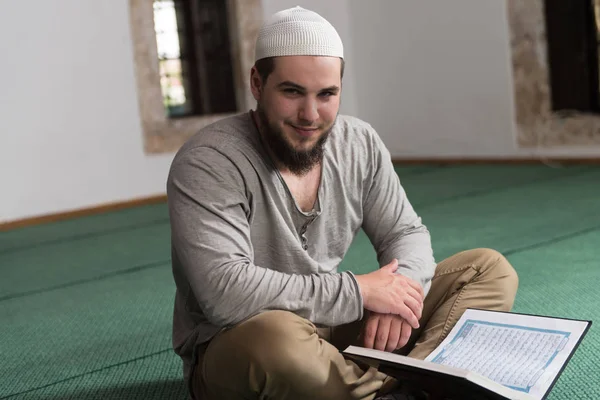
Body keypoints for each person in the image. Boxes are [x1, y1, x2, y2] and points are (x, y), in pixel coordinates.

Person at [166, 6, 518, 400]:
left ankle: (402, 386)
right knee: (277, 342)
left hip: (332, 325)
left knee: (487, 270)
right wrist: (362, 293)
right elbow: (225, 292)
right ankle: (423, 385)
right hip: (241, 340)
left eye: (327, 94)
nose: (310, 114)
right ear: (257, 83)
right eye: (292, 92)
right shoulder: (210, 160)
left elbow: (404, 232)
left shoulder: (358, 143)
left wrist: (397, 294)